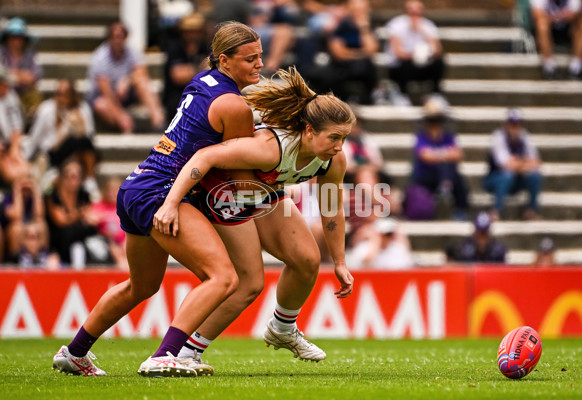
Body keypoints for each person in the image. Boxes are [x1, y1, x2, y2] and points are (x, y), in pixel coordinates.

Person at [52, 21, 262, 377]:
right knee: (223, 277)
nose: (259, 64)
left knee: (142, 285)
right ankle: (165, 355)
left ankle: (74, 353)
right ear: (224, 60)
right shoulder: (234, 106)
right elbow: (238, 175)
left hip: (136, 186)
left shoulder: (203, 80)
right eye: (250, 59)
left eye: (260, 57)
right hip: (161, 192)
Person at [152, 67, 355, 367]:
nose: (339, 146)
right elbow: (205, 157)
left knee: (307, 260)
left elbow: (331, 206)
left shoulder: (333, 160)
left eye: (344, 138)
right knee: (248, 283)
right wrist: (170, 204)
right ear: (309, 131)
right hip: (222, 193)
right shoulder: (268, 149)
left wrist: (339, 261)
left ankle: (282, 329)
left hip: (262, 194)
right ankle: (185, 352)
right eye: (334, 137)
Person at [24, 79, 99, 196]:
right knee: (78, 141)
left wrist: (80, 124)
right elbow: (35, 136)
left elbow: (90, 134)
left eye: (65, 94)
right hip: (52, 153)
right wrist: (26, 157)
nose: (61, 98)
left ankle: (89, 180)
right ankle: (88, 180)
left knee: (82, 142)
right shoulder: (47, 109)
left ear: (72, 95)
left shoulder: (83, 108)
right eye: (59, 94)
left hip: (78, 150)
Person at [87, 21, 165, 133]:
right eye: (116, 36)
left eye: (121, 36)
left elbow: (142, 74)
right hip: (104, 98)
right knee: (100, 105)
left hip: (125, 95)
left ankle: (158, 122)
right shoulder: (99, 58)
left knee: (143, 83)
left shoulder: (132, 51)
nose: (119, 40)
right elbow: (106, 93)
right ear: (109, 38)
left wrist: (127, 81)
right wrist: (121, 116)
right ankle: (125, 126)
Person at [410, 96, 469, 220]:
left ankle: (460, 211)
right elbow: (424, 156)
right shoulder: (421, 137)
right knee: (445, 168)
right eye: (432, 122)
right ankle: (444, 187)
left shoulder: (448, 137)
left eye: (438, 122)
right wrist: (445, 154)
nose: (435, 125)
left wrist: (435, 154)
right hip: (426, 175)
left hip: (446, 173)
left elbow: (458, 154)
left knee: (455, 176)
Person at [483, 108, 543, 221]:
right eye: (512, 123)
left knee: (535, 176)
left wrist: (517, 163)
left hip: (516, 179)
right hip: (494, 179)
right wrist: (524, 162)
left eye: (517, 124)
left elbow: (536, 162)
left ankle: (531, 210)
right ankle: (497, 210)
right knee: (507, 175)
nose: (514, 127)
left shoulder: (525, 136)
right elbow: (504, 164)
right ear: (506, 124)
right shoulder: (498, 136)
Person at [44, 159, 101, 268]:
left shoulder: (84, 194)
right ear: (62, 178)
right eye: (68, 176)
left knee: (88, 233)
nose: (71, 181)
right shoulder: (53, 194)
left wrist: (76, 216)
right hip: (56, 238)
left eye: (75, 177)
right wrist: (80, 214)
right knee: (69, 233)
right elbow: (60, 221)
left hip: (77, 235)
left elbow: (89, 217)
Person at [385, 0, 445, 103]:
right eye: (412, 11)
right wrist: (415, 55)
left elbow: (438, 50)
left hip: (422, 66)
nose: (414, 14)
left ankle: (435, 94)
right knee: (404, 64)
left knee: (439, 62)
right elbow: (398, 52)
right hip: (403, 66)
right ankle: (401, 94)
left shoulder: (427, 25)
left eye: (417, 11)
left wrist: (423, 30)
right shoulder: (396, 24)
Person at [326, 0, 379, 104]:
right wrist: (361, 54)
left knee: (364, 65)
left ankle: (366, 100)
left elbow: (372, 50)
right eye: (356, 10)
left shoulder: (368, 27)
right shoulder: (341, 26)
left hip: (364, 69)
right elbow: (338, 53)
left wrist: (364, 28)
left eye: (362, 10)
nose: (359, 13)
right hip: (342, 67)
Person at [162, 12, 210, 120]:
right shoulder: (175, 48)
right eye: (190, 31)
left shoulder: (205, 48)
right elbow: (178, 76)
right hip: (177, 96)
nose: (193, 35)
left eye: (197, 31)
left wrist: (191, 70)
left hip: (201, 95)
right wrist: (201, 69)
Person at [530, 0, 582, 79]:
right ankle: (549, 68)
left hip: (567, 30)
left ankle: (576, 69)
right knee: (541, 25)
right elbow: (537, 15)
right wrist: (559, 17)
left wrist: (556, 17)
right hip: (548, 30)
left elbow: (576, 14)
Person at [0, 17, 43, 117]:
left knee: (37, 102)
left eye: (19, 37)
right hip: (5, 93)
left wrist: (11, 75)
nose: (16, 41)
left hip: (26, 93)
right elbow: (2, 76)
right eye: (13, 37)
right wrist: (23, 75)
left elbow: (35, 76)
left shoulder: (31, 54)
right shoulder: (1, 53)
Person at [346, 217, 413, 270]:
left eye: (390, 234)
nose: (388, 237)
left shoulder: (397, 249)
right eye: (385, 234)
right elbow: (364, 263)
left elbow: (406, 267)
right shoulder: (363, 248)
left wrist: (402, 237)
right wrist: (375, 242)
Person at [0, 65, 29, 185]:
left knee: (25, 171)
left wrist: (14, 148)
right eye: (5, 84)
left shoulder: (10, 95)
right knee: (13, 174)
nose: (7, 87)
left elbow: (16, 124)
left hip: (9, 145)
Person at [90, 176, 127, 269]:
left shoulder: (124, 207)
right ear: (105, 191)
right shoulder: (99, 205)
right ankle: (123, 268)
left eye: (115, 190)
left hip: (123, 239)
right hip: (107, 240)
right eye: (110, 189)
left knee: (127, 244)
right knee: (114, 247)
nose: (112, 193)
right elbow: (91, 218)